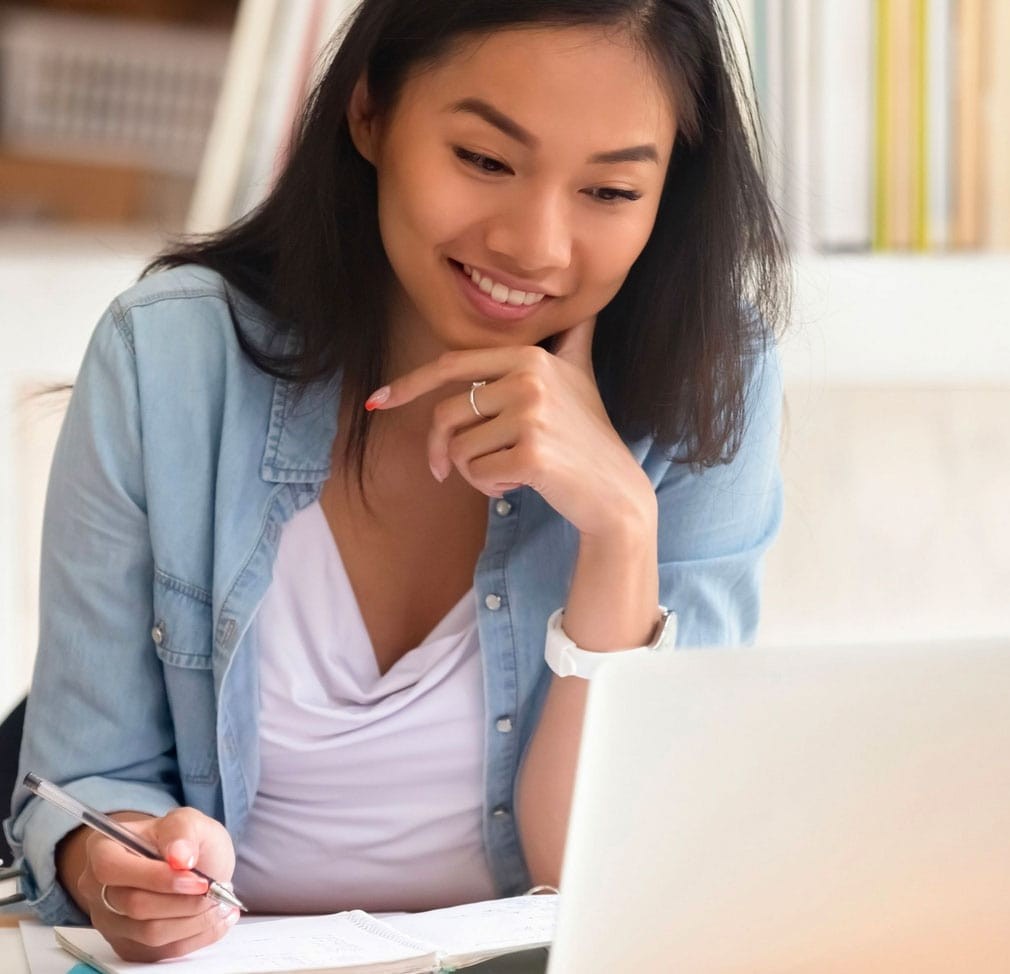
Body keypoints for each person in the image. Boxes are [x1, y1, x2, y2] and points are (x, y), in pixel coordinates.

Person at [5, 0, 788, 962]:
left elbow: (604, 874)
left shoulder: (709, 382)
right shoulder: (170, 358)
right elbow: (85, 779)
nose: (536, 245)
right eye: (486, 161)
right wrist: (118, 866)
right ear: (370, 113)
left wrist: (620, 528)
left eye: (611, 193)